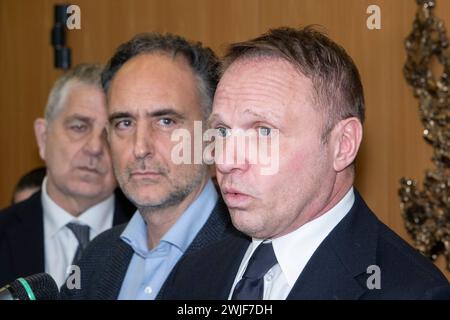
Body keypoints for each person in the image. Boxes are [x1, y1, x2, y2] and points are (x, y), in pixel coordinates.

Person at [162, 26, 450, 299]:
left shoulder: (413, 292)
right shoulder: (193, 273)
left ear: (343, 145)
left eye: (263, 131)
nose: (224, 160)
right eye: (222, 131)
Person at [60, 33, 237, 300]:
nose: (140, 148)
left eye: (165, 121)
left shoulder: (249, 258)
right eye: (124, 123)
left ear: (211, 137)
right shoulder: (96, 257)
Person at [0, 64, 134, 288]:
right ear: (43, 138)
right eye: (79, 127)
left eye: (109, 132)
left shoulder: (152, 235)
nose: (95, 147)